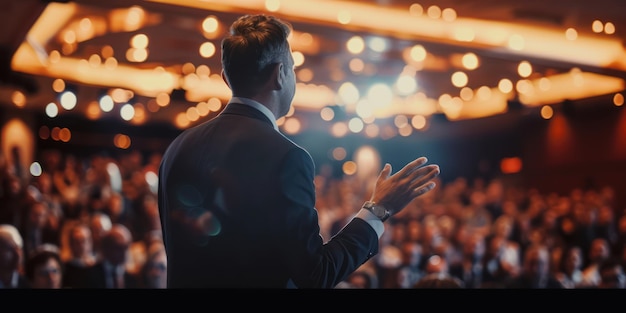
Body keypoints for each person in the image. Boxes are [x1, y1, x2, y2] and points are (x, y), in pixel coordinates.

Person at [157, 14, 440, 288]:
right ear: (280, 74)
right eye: (292, 67)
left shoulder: (178, 148)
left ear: (226, 78)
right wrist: (378, 210)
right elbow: (314, 275)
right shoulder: (285, 156)